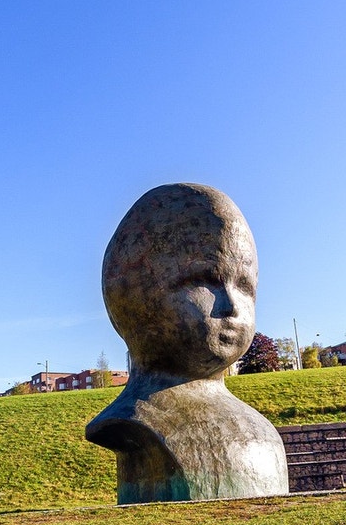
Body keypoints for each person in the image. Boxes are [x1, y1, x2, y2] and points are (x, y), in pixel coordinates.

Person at [85, 183, 290, 503]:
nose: (233, 306)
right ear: (133, 293)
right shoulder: (138, 422)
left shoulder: (262, 430)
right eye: (205, 281)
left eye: (245, 286)